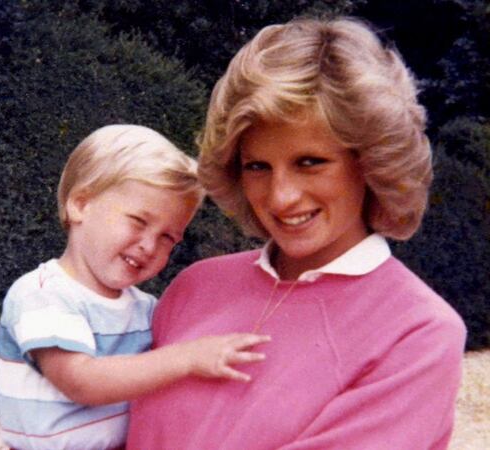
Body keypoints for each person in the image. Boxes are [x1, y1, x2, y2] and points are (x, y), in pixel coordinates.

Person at [127, 17, 467, 449]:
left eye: (309, 162)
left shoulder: (419, 333)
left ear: (371, 162)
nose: (281, 197)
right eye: (257, 167)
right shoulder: (195, 287)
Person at [0, 124, 270, 450]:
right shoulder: (42, 295)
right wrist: (187, 358)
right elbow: (81, 382)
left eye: (168, 238)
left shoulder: (145, 308)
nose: (149, 245)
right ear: (80, 204)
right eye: (138, 221)